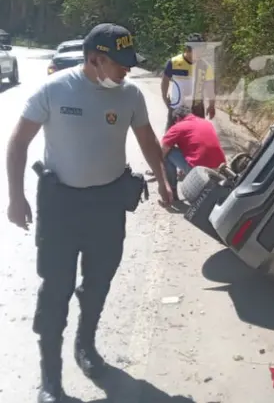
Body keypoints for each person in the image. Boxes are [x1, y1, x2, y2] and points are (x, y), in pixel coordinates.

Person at [5, 23, 171, 403]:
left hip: (108, 205)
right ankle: (50, 379)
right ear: (95, 59)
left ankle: (85, 345)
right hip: (60, 206)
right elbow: (18, 142)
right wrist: (16, 197)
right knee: (55, 288)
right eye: (120, 63)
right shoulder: (54, 89)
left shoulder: (130, 95)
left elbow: (147, 139)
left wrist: (162, 178)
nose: (128, 70)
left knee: (99, 281)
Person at [161, 104, 226, 202]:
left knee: (168, 153)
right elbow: (196, 145)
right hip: (220, 170)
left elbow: (162, 151)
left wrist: (158, 173)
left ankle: (171, 191)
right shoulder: (206, 123)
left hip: (200, 172)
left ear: (177, 118)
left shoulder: (178, 127)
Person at [161, 33, 217, 131]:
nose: (200, 54)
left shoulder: (205, 66)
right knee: (171, 136)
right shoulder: (174, 62)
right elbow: (165, 80)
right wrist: (164, 97)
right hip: (177, 108)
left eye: (202, 51)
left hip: (197, 110)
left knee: (198, 137)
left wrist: (212, 105)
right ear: (188, 49)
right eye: (197, 51)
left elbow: (210, 87)